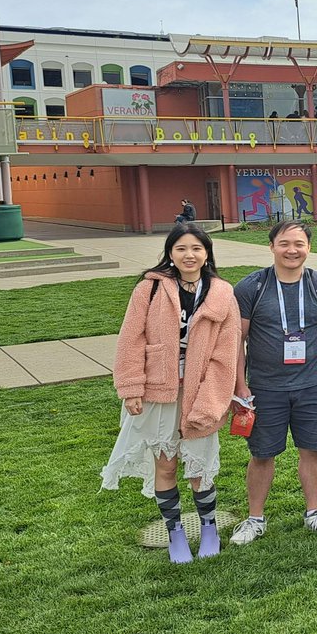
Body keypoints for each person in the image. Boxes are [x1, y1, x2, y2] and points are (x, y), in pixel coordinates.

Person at [102, 225, 241, 563]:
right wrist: (131, 387)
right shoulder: (150, 289)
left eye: (196, 248)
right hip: (158, 393)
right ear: (170, 253)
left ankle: (208, 528)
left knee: (199, 467)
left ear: (207, 253)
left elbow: (229, 351)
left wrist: (213, 399)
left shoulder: (222, 292)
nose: (189, 255)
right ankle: (175, 532)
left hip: (201, 391)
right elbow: (131, 340)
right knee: (165, 465)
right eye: (181, 248)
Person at [230, 221, 317, 545]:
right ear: (271, 246)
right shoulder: (251, 287)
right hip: (265, 388)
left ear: (308, 248)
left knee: (312, 449)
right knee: (262, 453)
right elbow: (236, 341)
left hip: (313, 385)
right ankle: (255, 518)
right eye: (284, 243)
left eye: (299, 243)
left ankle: (314, 513)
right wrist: (240, 386)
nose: (292, 250)